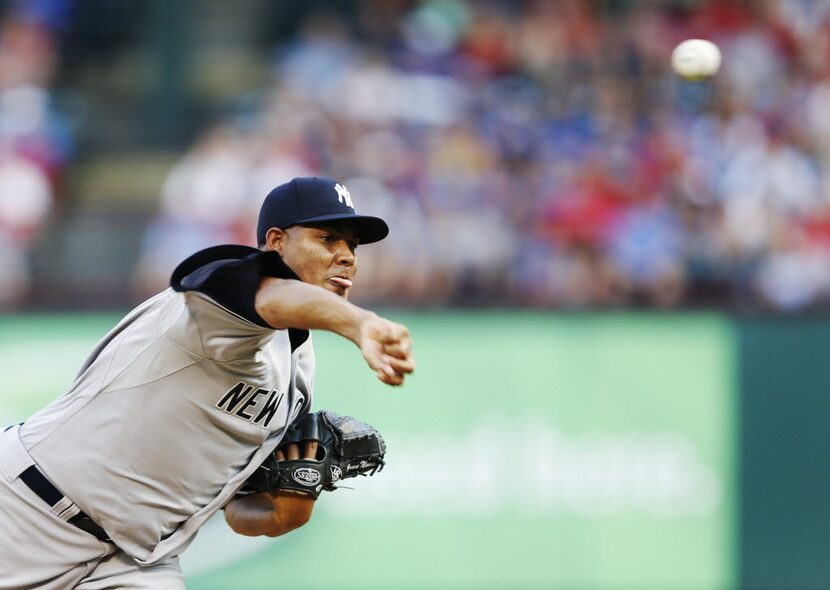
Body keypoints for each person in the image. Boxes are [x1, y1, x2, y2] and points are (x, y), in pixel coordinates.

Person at [0, 177, 415, 589]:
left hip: (136, 560)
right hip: (27, 511)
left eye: (353, 247)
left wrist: (290, 507)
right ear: (276, 241)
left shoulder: (298, 375)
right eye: (328, 238)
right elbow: (269, 298)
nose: (346, 257)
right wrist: (359, 322)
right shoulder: (221, 298)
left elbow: (236, 509)